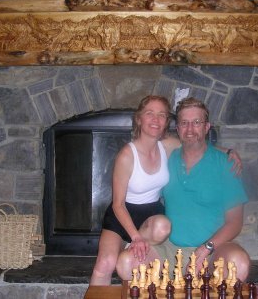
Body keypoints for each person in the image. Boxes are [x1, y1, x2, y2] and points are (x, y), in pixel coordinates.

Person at [90, 95, 242, 285]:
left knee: (163, 226)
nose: (155, 119)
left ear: (167, 123)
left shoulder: (167, 146)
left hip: (150, 219)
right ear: (139, 118)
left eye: (161, 115)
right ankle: (128, 249)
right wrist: (135, 237)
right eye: (149, 114)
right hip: (122, 214)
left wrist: (228, 151)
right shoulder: (126, 155)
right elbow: (118, 204)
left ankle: (133, 253)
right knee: (105, 263)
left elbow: (196, 142)